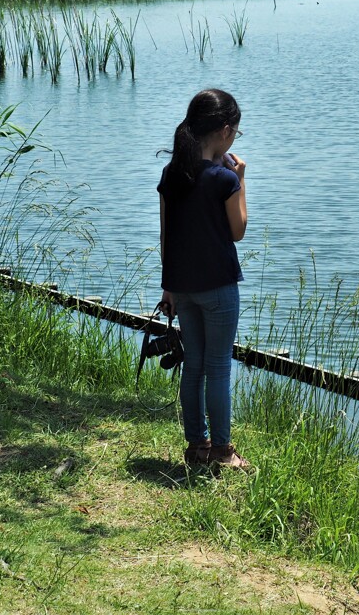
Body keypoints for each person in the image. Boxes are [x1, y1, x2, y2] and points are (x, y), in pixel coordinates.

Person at [158, 88, 249, 469]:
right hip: (218, 287)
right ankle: (223, 453)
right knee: (218, 368)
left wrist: (169, 287)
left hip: (183, 287)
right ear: (226, 131)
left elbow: (166, 234)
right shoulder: (223, 179)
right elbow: (238, 230)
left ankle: (197, 446)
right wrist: (240, 179)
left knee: (194, 365)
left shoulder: (172, 174)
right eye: (236, 133)